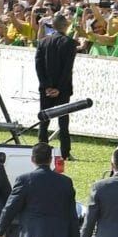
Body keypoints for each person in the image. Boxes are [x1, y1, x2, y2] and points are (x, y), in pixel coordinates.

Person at [35, 13, 77, 160]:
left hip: (45, 88)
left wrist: (46, 86)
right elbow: (67, 69)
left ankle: (42, 150)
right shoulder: (70, 43)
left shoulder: (43, 42)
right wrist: (58, 88)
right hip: (62, 88)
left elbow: (38, 67)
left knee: (44, 120)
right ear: (65, 26)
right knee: (63, 121)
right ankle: (65, 152)